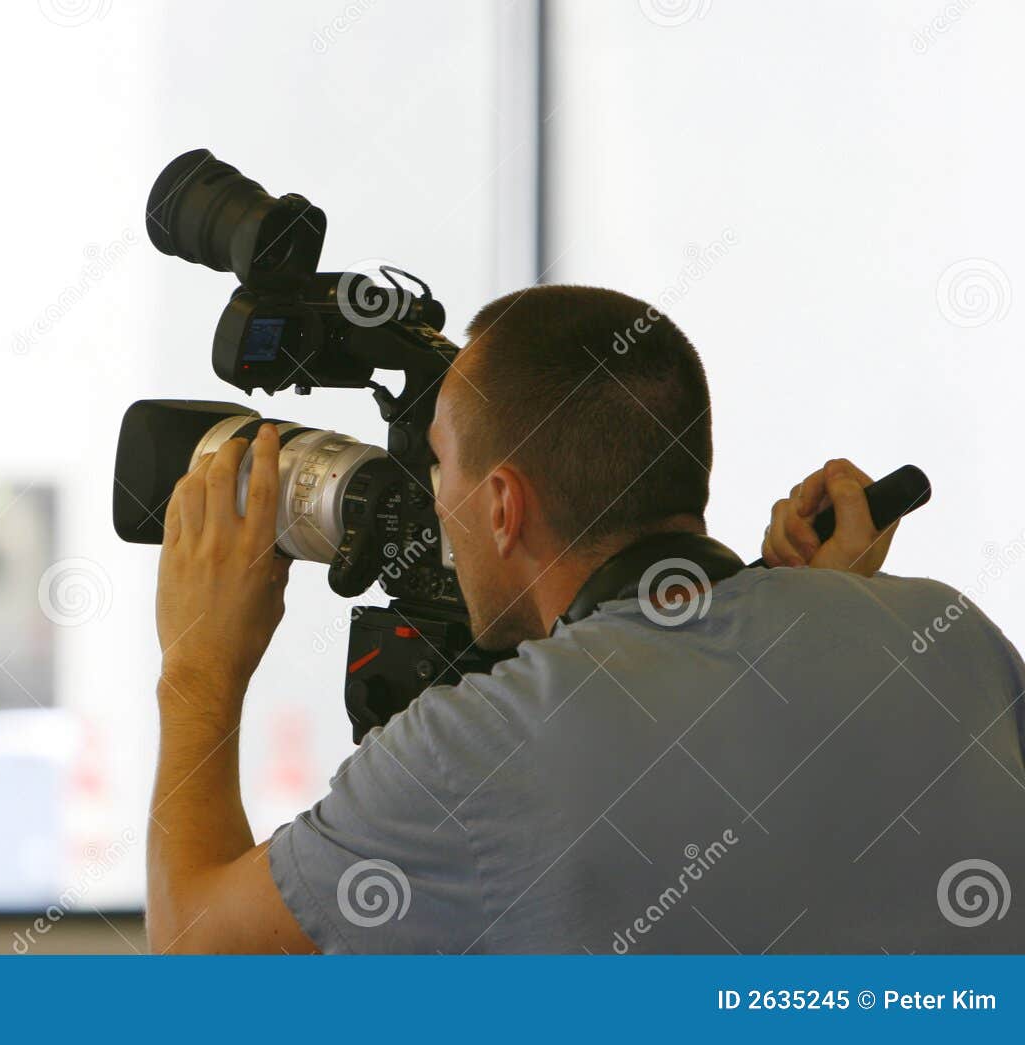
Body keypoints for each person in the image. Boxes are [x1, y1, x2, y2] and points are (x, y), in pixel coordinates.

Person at [144, 285, 1024, 954]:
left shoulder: (477, 750)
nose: (431, 499)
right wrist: (824, 614)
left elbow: (195, 952)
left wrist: (200, 663)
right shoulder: (948, 634)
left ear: (503, 507)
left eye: (440, 465)